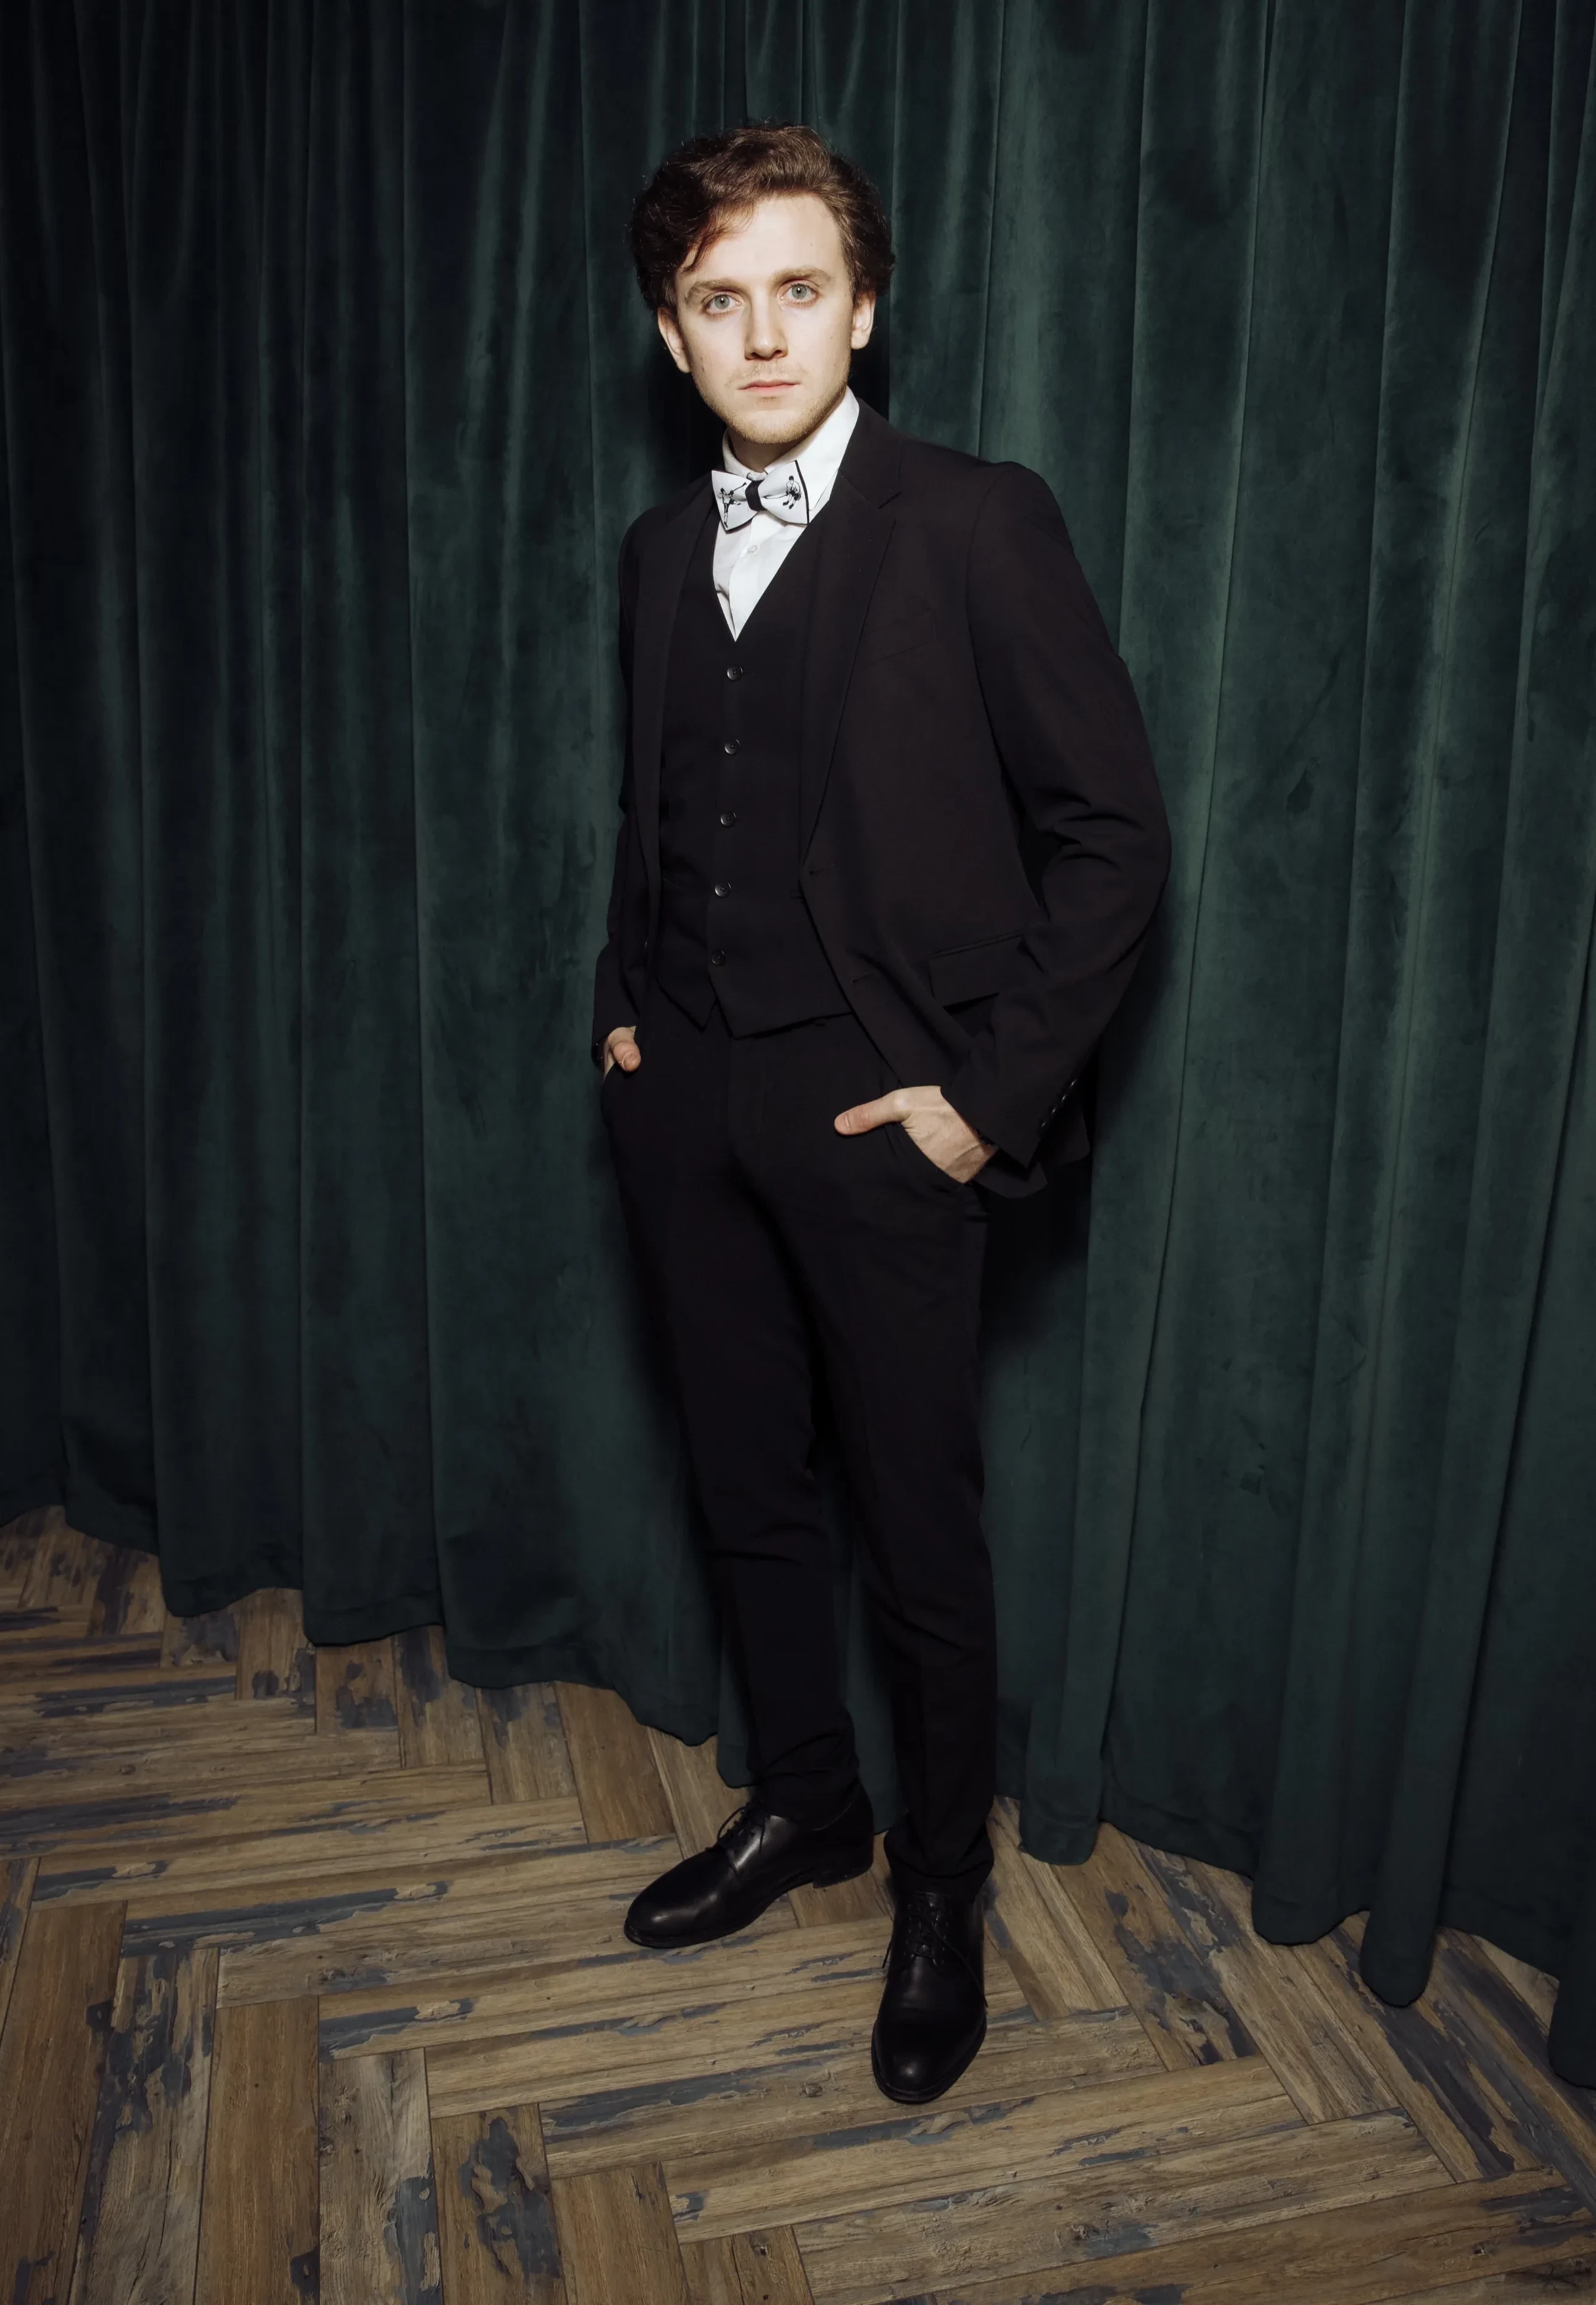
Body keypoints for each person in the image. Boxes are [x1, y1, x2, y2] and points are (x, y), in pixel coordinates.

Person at [590, 121, 1169, 2105]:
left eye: (801, 290)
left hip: (882, 1115)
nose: (764, 334)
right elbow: (652, 811)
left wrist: (982, 1103)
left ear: (865, 311)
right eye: (720, 299)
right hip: (687, 1105)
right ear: (671, 335)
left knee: (918, 1531)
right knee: (747, 1485)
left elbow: (1116, 838)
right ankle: (805, 1802)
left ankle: (941, 1888)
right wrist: (624, 1017)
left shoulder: (976, 523)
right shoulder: (654, 552)